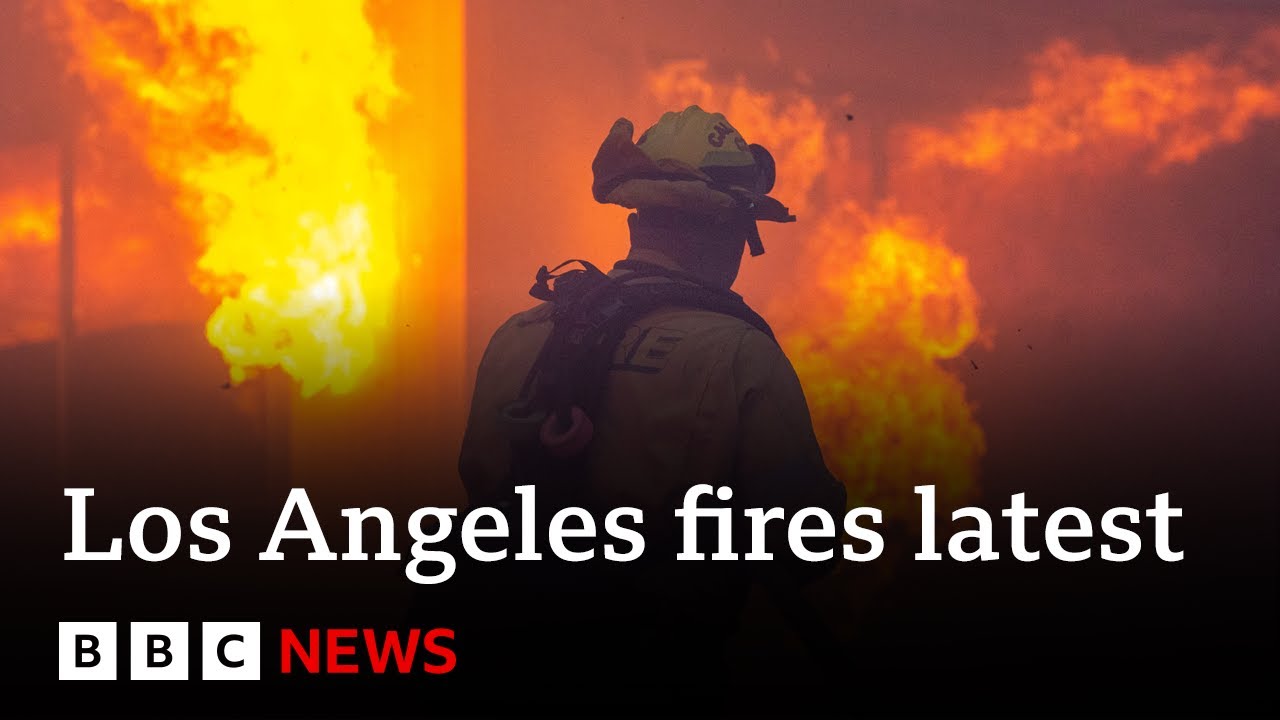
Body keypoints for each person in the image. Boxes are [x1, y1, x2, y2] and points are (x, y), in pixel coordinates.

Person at [449, 105, 846, 704]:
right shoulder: (739, 355)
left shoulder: (521, 333)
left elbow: (478, 488)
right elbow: (808, 546)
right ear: (729, 228)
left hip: (495, 673)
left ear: (639, 219)